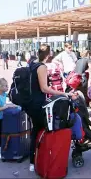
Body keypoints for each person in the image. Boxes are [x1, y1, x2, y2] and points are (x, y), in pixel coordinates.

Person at [24, 44, 70, 172]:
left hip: (30, 102)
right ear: (49, 54)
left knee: (36, 130)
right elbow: (44, 88)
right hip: (38, 103)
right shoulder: (42, 67)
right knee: (42, 129)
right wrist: (63, 93)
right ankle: (38, 160)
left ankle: (34, 159)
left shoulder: (32, 64)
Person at [0, 78, 18, 159]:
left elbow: (9, 97)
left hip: (1, 118)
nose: (7, 87)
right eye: (5, 86)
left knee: (3, 133)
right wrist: (7, 106)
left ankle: (3, 148)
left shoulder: (3, 94)